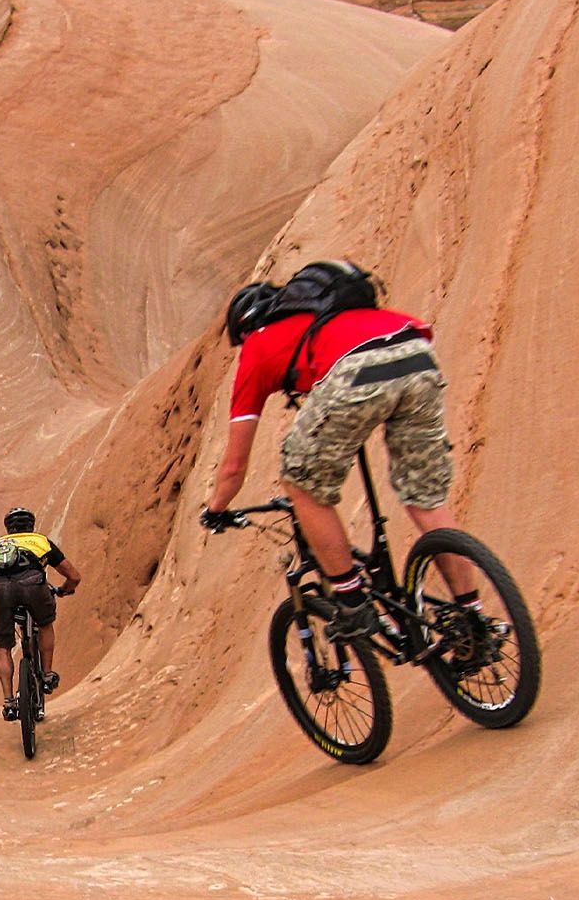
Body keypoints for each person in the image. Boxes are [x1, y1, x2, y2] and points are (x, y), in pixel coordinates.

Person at [199, 261, 476, 635]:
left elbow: (234, 466)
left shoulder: (258, 345)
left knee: (302, 486)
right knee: (424, 497)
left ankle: (350, 601)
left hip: (355, 373)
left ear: (247, 327)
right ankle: (471, 616)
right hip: (416, 351)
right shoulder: (333, 321)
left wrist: (216, 509)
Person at [0, 507, 81, 721]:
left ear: (8, 528)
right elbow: (74, 575)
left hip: (0, 593)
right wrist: (65, 589)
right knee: (45, 624)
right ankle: (47, 675)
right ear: (31, 525)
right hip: (34, 588)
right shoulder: (40, 541)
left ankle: (9, 702)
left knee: (3, 647)